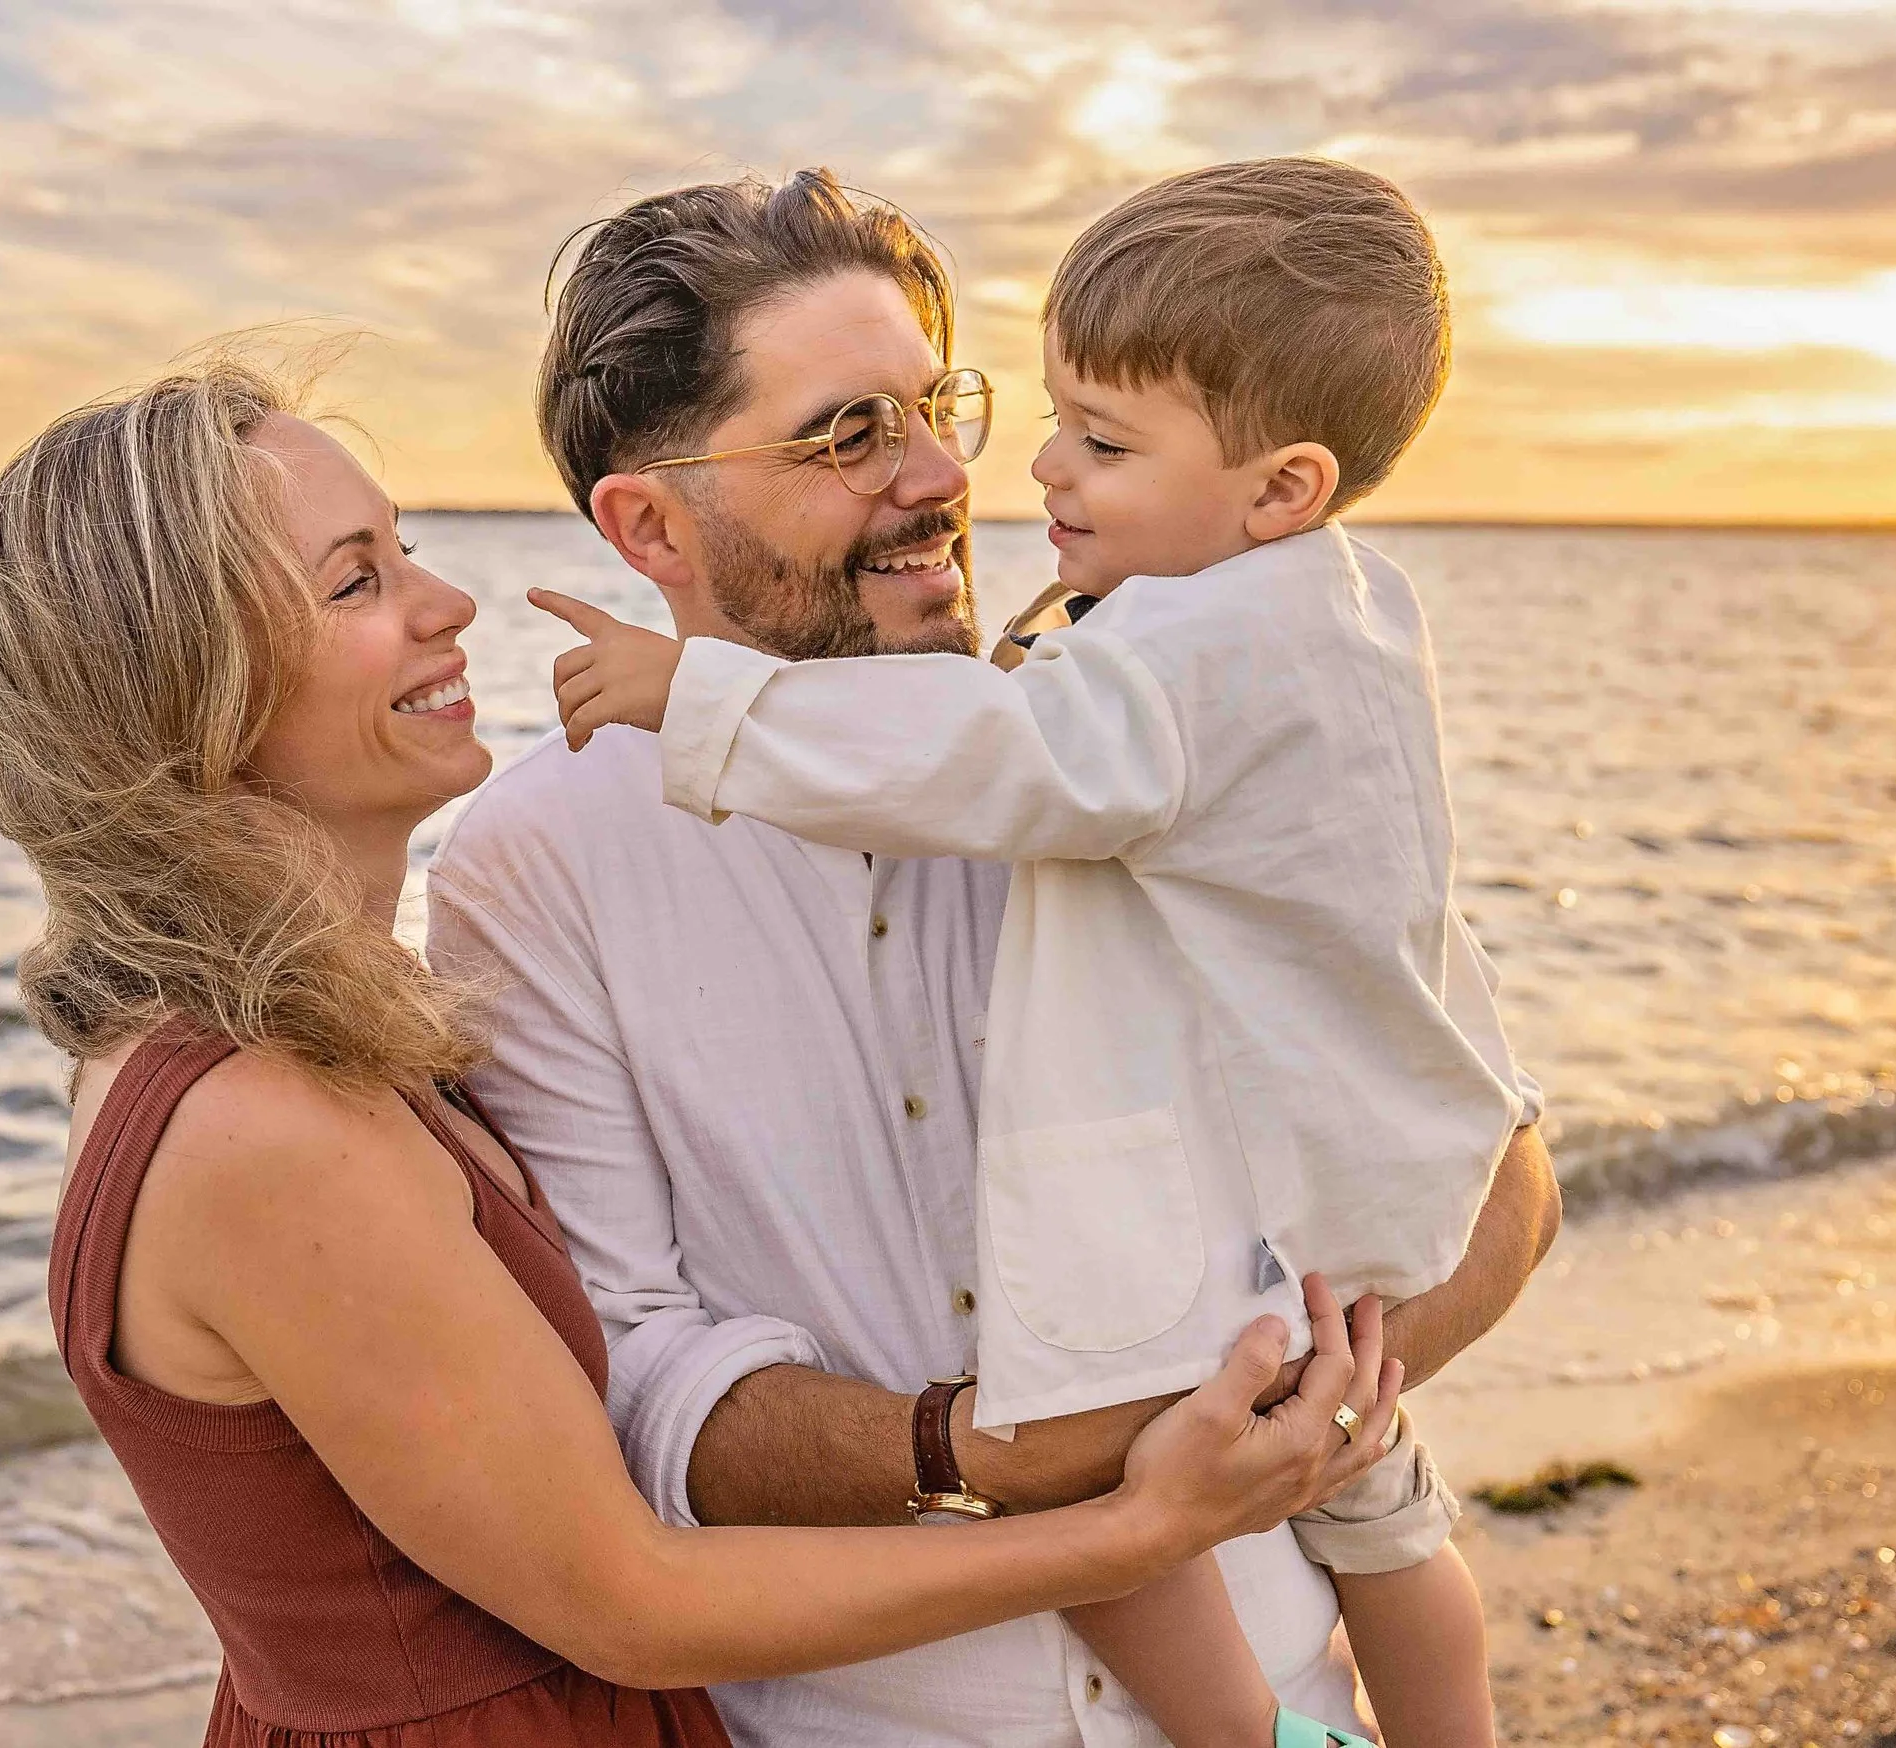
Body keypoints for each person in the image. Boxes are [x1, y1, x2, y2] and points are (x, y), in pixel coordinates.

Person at [0, 357, 1399, 1747]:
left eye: (404, 552)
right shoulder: (261, 1117)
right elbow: (629, 1602)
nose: (448, 603)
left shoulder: (318, 1039)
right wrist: (1134, 1529)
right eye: (358, 581)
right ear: (182, 690)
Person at [428, 167, 1562, 1748]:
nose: (948, 474)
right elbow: (641, 1385)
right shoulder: (534, 865)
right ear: (649, 524)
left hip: (1292, 1692)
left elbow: (1493, 1161)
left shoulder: (1117, 710)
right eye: (850, 435)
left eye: (936, 406)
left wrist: (1289, 1416)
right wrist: (1010, 1460)